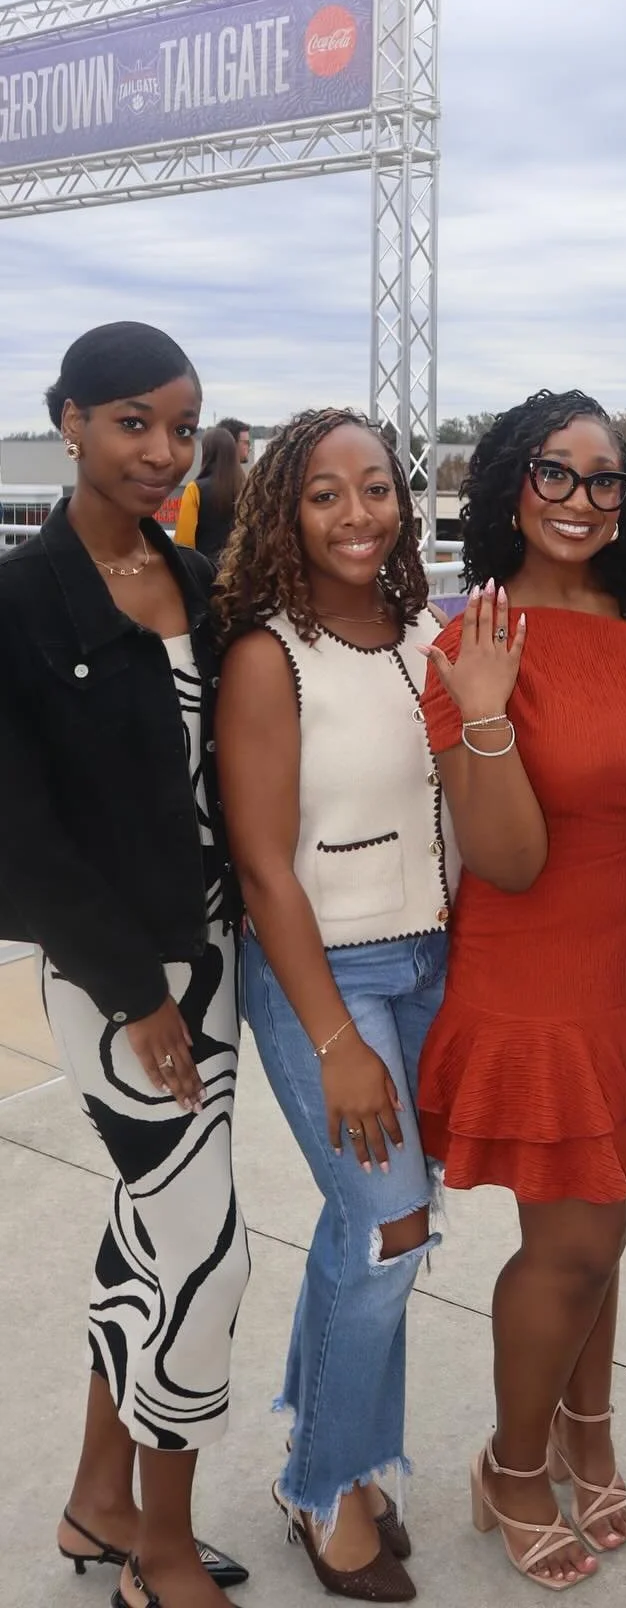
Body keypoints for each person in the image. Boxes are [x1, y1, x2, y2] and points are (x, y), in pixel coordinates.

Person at [416, 388, 626, 1592]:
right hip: (543, 978)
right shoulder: (474, 640)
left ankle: (588, 1435)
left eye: (605, 478)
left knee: (606, 1229)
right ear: (509, 486)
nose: (583, 500)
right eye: (555, 473)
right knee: (570, 1245)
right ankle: (512, 1468)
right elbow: (512, 862)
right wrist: (483, 718)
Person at [0, 322, 249, 1608]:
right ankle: (159, 1543)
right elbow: (20, 837)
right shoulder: (19, 600)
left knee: (143, 1238)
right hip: (119, 985)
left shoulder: (196, 579)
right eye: (132, 422)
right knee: (208, 1254)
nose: (161, 450)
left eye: (182, 425)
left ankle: (97, 1504)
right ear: (71, 421)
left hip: (216, 955)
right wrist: (140, 995)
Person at [214, 409, 464, 1601]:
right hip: (332, 975)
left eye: (377, 488)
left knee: (366, 1228)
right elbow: (264, 869)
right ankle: (324, 1486)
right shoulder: (272, 654)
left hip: (431, 963)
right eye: (327, 494)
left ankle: (342, 1461)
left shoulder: (422, 629)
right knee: (387, 1227)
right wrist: (332, 1041)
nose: (359, 514)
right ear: (285, 512)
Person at [173, 425, 244, 564]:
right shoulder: (246, 488)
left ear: (206, 452)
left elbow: (184, 544)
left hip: (204, 574)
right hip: (238, 572)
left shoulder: (195, 489)